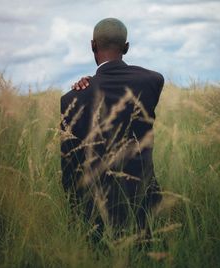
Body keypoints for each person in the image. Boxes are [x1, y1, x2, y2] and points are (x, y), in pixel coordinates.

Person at [61, 18, 164, 235]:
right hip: (145, 207)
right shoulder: (152, 82)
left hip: (97, 215)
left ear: (93, 46)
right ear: (126, 47)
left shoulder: (72, 99)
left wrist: (74, 214)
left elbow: (70, 166)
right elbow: (144, 77)